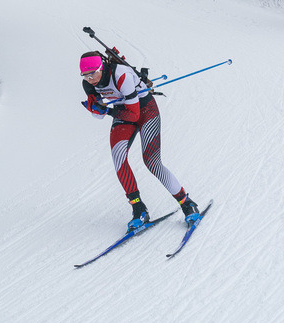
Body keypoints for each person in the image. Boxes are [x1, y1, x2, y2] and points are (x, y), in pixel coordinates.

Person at [79, 50, 201, 231]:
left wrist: (106, 111)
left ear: (101, 67)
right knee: (118, 158)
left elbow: (134, 114)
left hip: (145, 111)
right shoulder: (88, 84)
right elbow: (98, 112)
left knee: (152, 162)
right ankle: (138, 209)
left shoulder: (121, 75)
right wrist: (95, 108)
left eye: (93, 73)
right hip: (123, 112)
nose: (90, 79)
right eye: (85, 75)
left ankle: (187, 203)